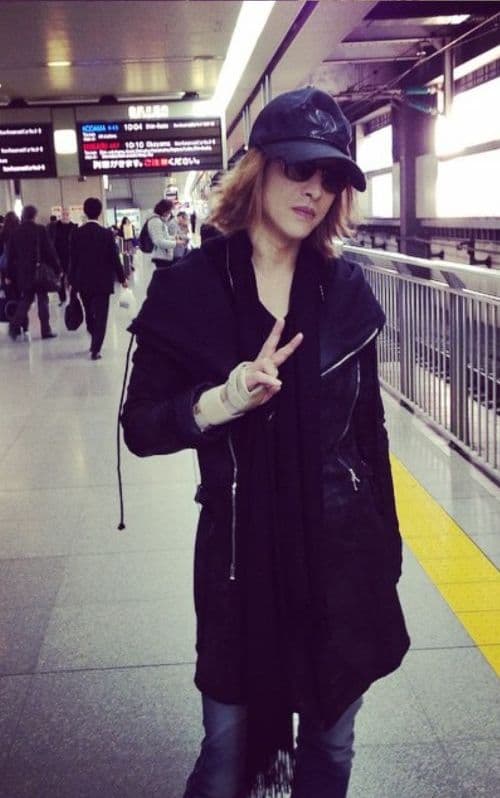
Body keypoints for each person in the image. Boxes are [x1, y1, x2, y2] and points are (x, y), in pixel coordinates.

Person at [121, 87, 410, 798]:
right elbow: (142, 426)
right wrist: (224, 399)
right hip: (237, 563)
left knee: (332, 748)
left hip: (339, 559)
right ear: (258, 170)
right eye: (298, 170)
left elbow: (368, 435)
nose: (314, 191)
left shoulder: (347, 294)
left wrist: (387, 547)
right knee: (226, 757)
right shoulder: (188, 292)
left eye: (330, 178)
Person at [69, 197, 127, 360]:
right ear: (100, 212)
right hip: (103, 282)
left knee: (89, 312)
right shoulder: (107, 234)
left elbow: (73, 259)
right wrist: (122, 278)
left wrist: (71, 280)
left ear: (85, 212)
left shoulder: (76, 234)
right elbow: (114, 258)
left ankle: (93, 335)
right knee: (101, 315)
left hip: (83, 281)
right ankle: (96, 348)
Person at [6, 205, 60, 340]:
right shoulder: (40, 230)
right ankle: (45, 330)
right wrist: (57, 268)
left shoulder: (15, 232)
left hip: (23, 274)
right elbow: (49, 251)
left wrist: (8, 274)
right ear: (34, 216)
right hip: (39, 272)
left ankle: (14, 327)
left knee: (26, 300)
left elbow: (10, 256)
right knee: (43, 300)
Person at [54, 208, 77, 305]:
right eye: (63, 214)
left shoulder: (74, 227)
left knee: (72, 278)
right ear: (60, 215)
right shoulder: (56, 227)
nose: (65, 216)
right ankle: (62, 298)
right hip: (59, 257)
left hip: (71, 256)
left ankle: (72, 298)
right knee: (60, 278)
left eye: (67, 214)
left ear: (70, 216)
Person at [147, 199, 177, 268]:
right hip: (161, 258)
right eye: (169, 211)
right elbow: (159, 242)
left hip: (163, 256)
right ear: (164, 210)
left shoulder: (159, 220)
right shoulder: (155, 221)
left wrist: (173, 238)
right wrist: (176, 243)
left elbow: (164, 237)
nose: (169, 213)